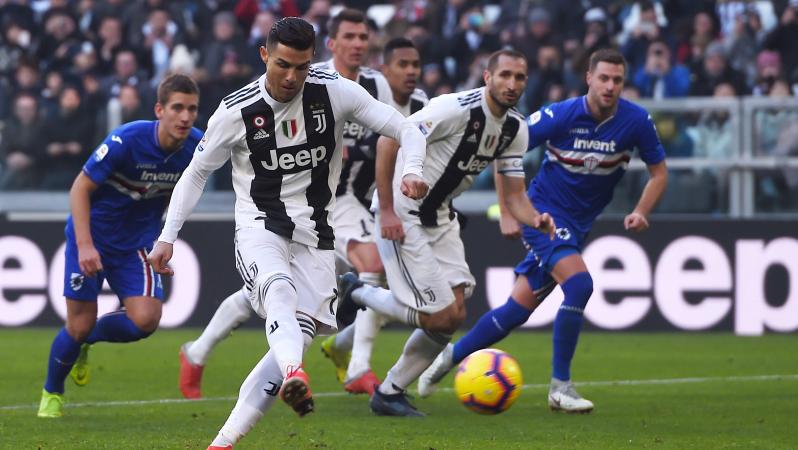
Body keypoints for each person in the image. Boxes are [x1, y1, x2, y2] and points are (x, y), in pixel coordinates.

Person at [146, 18, 427, 448]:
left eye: (301, 66)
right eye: (282, 65)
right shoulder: (236, 110)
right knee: (278, 290)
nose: (292, 77)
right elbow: (196, 173)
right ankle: (298, 371)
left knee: (280, 356)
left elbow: (406, 127)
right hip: (260, 224)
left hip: (317, 235)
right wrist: (168, 235)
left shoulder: (334, 91)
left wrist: (412, 170)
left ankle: (222, 442)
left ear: (312, 60)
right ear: (264, 56)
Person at [418, 48, 669, 414]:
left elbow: (659, 172)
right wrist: (507, 212)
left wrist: (641, 211)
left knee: (515, 311)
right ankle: (560, 387)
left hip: (579, 226)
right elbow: (506, 148)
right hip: (541, 216)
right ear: (589, 78)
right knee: (580, 284)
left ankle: (447, 357)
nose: (610, 86)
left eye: (617, 80)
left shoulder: (636, 122)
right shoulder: (561, 115)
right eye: (603, 78)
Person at [336, 49, 555, 417]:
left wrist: (536, 219)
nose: (511, 84)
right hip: (403, 214)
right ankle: (360, 293)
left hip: (439, 216)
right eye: (504, 75)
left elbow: (516, 197)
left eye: (519, 78)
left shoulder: (515, 129)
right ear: (487, 77)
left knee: (453, 315)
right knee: (436, 313)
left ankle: (389, 392)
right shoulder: (457, 108)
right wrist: (387, 207)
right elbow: (392, 138)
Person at [36, 73, 202, 418]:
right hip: (92, 238)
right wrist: (84, 246)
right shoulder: (126, 141)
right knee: (77, 325)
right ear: (159, 110)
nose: (185, 117)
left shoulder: (197, 149)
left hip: (136, 245)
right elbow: (79, 189)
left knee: (146, 320)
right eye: (177, 108)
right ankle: (52, 392)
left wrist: (165, 239)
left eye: (192, 109)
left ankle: (88, 340)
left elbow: (192, 192)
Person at [318, 36, 430, 396]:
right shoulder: (360, 95)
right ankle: (357, 368)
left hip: (384, 204)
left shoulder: (423, 106)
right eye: (403, 65)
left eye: (416, 65)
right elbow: (370, 147)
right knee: (373, 270)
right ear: (385, 71)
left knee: (384, 284)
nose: (411, 72)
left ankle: (341, 348)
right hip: (343, 201)